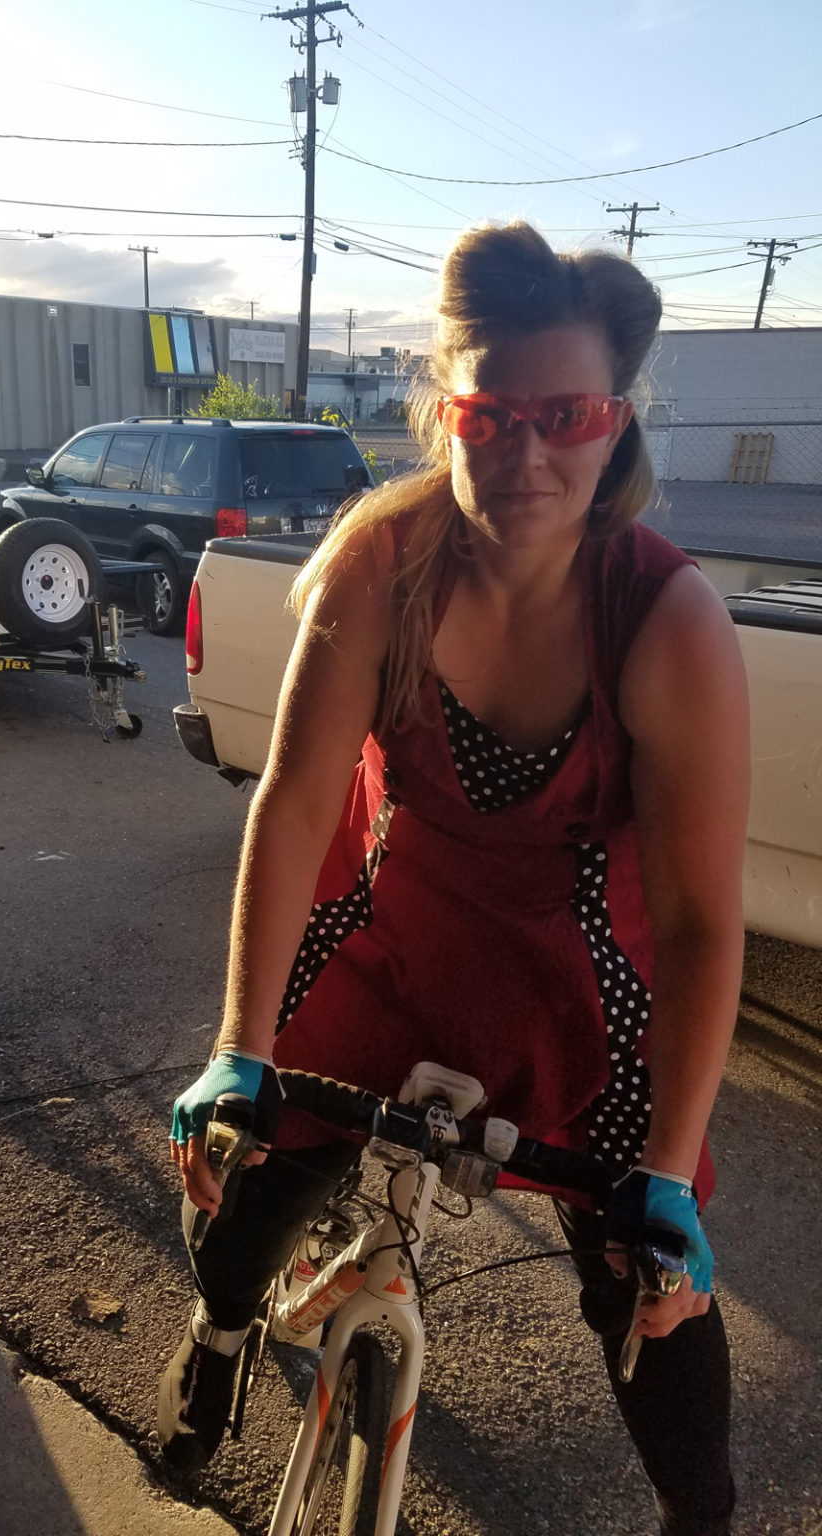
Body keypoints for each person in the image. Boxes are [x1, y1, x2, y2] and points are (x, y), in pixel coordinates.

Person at [158, 221, 749, 1536]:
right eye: (492, 415)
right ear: (444, 412)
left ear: (615, 424)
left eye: (567, 415)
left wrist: (666, 1170)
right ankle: (220, 1330)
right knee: (249, 1177)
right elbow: (295, 802)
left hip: (577, 993)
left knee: (655, 1283)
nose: (528, 454)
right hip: (388, 946)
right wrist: (237, 1048)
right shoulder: (381, 565)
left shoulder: (667, 621)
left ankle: (700, 1518)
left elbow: (704, 921)